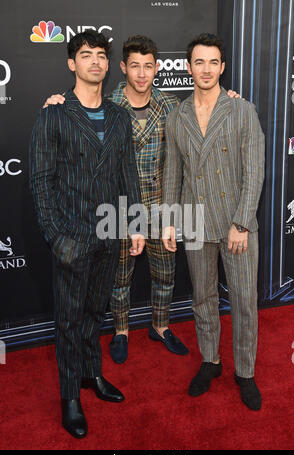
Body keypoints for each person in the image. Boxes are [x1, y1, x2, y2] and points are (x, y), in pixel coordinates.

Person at [43, 35, 240, 365]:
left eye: (148, 66)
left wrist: (230, 98)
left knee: (166, 273)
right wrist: (56, 103)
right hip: (118, 208)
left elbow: (201, 124)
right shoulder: (106, 107)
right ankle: (121, 331)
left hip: (165, 205)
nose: (141, 73)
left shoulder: (172, 106)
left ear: (157, 68)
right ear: (122, 67)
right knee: (119, 278)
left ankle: (161, 326)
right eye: (134, 65)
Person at [30, 30, 145, 439]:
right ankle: (69, 397)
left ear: (107, 64)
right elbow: (41, 182)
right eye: (85, 55)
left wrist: (134, 224)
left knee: (96, 311)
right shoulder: (54, 114)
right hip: (72, 238)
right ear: (71, 63)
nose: (94, 62)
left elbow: (127, 172)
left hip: (110, 234)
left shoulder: (118, 116)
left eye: (100, 55)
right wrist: (57, 238)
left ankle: (91, 376)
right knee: (68, 319)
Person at [162, 33, 265, 411]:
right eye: (199, 62)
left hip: (235, 223)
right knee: (202, 297)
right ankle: (210, 360)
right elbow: (172, 172)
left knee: (243, 301)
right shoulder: (177, 116)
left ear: (222, 67)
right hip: (194, 220)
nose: (206, 70)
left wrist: (242, 221)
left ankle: (246, 372)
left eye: (213, 62)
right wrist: (170, 221)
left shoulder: (242, 110)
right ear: (188, 67)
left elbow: (255, 170)